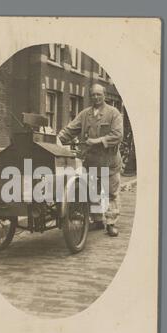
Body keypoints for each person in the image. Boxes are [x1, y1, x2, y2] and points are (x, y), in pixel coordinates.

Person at [58, 83, 123, 237]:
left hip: (110, 160)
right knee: (93, 192)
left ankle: (111, 223)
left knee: (111, 193)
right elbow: (70, 129)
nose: (96, 97)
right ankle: (98, 219)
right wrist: (57, 139)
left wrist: (97, 140)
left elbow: (118, 135)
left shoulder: (114, 113)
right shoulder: (85, 114)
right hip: (91, 160)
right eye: (93, 94)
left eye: (99, 94)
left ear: (104, 95)